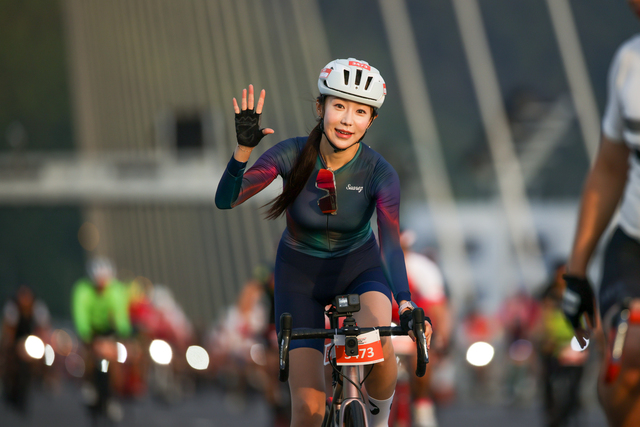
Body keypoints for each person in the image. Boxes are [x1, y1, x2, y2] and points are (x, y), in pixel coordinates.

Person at [215, 58, 433, 427]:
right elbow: (227, 199)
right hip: (299, 277)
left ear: (371, 120)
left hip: (359, 269)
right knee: (308, 412)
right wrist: (242, 151)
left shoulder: (379, 172)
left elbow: (391, 243)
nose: (347, 120)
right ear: (321, 107)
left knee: (374, 339)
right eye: (339, 106)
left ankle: (378, 420)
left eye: (360, 112)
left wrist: (406, 303)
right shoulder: (291, 153)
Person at [563, 2, 640, 425]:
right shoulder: (629, 61)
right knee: (624, 361)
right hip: (633, 243)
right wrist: (576, 273)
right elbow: (610, 168)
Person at [71, 257, 131, 421]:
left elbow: (121, 315)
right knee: (87, 356)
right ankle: (88, 383)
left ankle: (114, 395)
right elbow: (80, 314)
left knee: (117, 360)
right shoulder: (82, 290)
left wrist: (123, 333)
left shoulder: (117, 290)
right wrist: (86, 335)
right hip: (91, 331)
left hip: (109, 331)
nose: (102, 283)